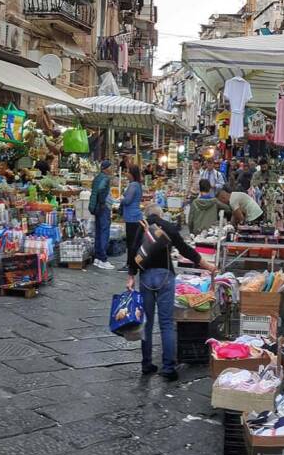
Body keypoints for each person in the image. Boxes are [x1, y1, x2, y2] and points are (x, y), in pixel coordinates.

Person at [127, 203, 216, 380]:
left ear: (147, 214)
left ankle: (147, 364)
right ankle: (168, 367)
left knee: (147, 323)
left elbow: (132, 252)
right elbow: (186, 250)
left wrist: (131, 276)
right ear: (161, 215)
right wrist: (208, 266)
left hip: (146, 278)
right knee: (166, 323)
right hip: (165, 277)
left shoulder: (141, 226)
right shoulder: (168, 227)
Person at [88, 159, 115, 270]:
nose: (111, 169)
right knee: (104, 232)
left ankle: (97, 258)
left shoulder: (97, 177)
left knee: (98, 231)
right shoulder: (105, 178)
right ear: (106, 168)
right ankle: (103, 259)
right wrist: (103, 201)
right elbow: (100, 189)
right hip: (103, 208)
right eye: (110, 167)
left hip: (96, 208)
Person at [121, 164, 144, 263]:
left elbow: (127, 201)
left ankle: (130, 264)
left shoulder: (133, 185)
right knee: (134, 242)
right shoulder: (137, 184)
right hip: (135, 217)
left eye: (128, 172)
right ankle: (134, 263)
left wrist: (121, 199)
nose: (126, 174)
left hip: (132, 217)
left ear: (132, 173)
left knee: (131, 243)